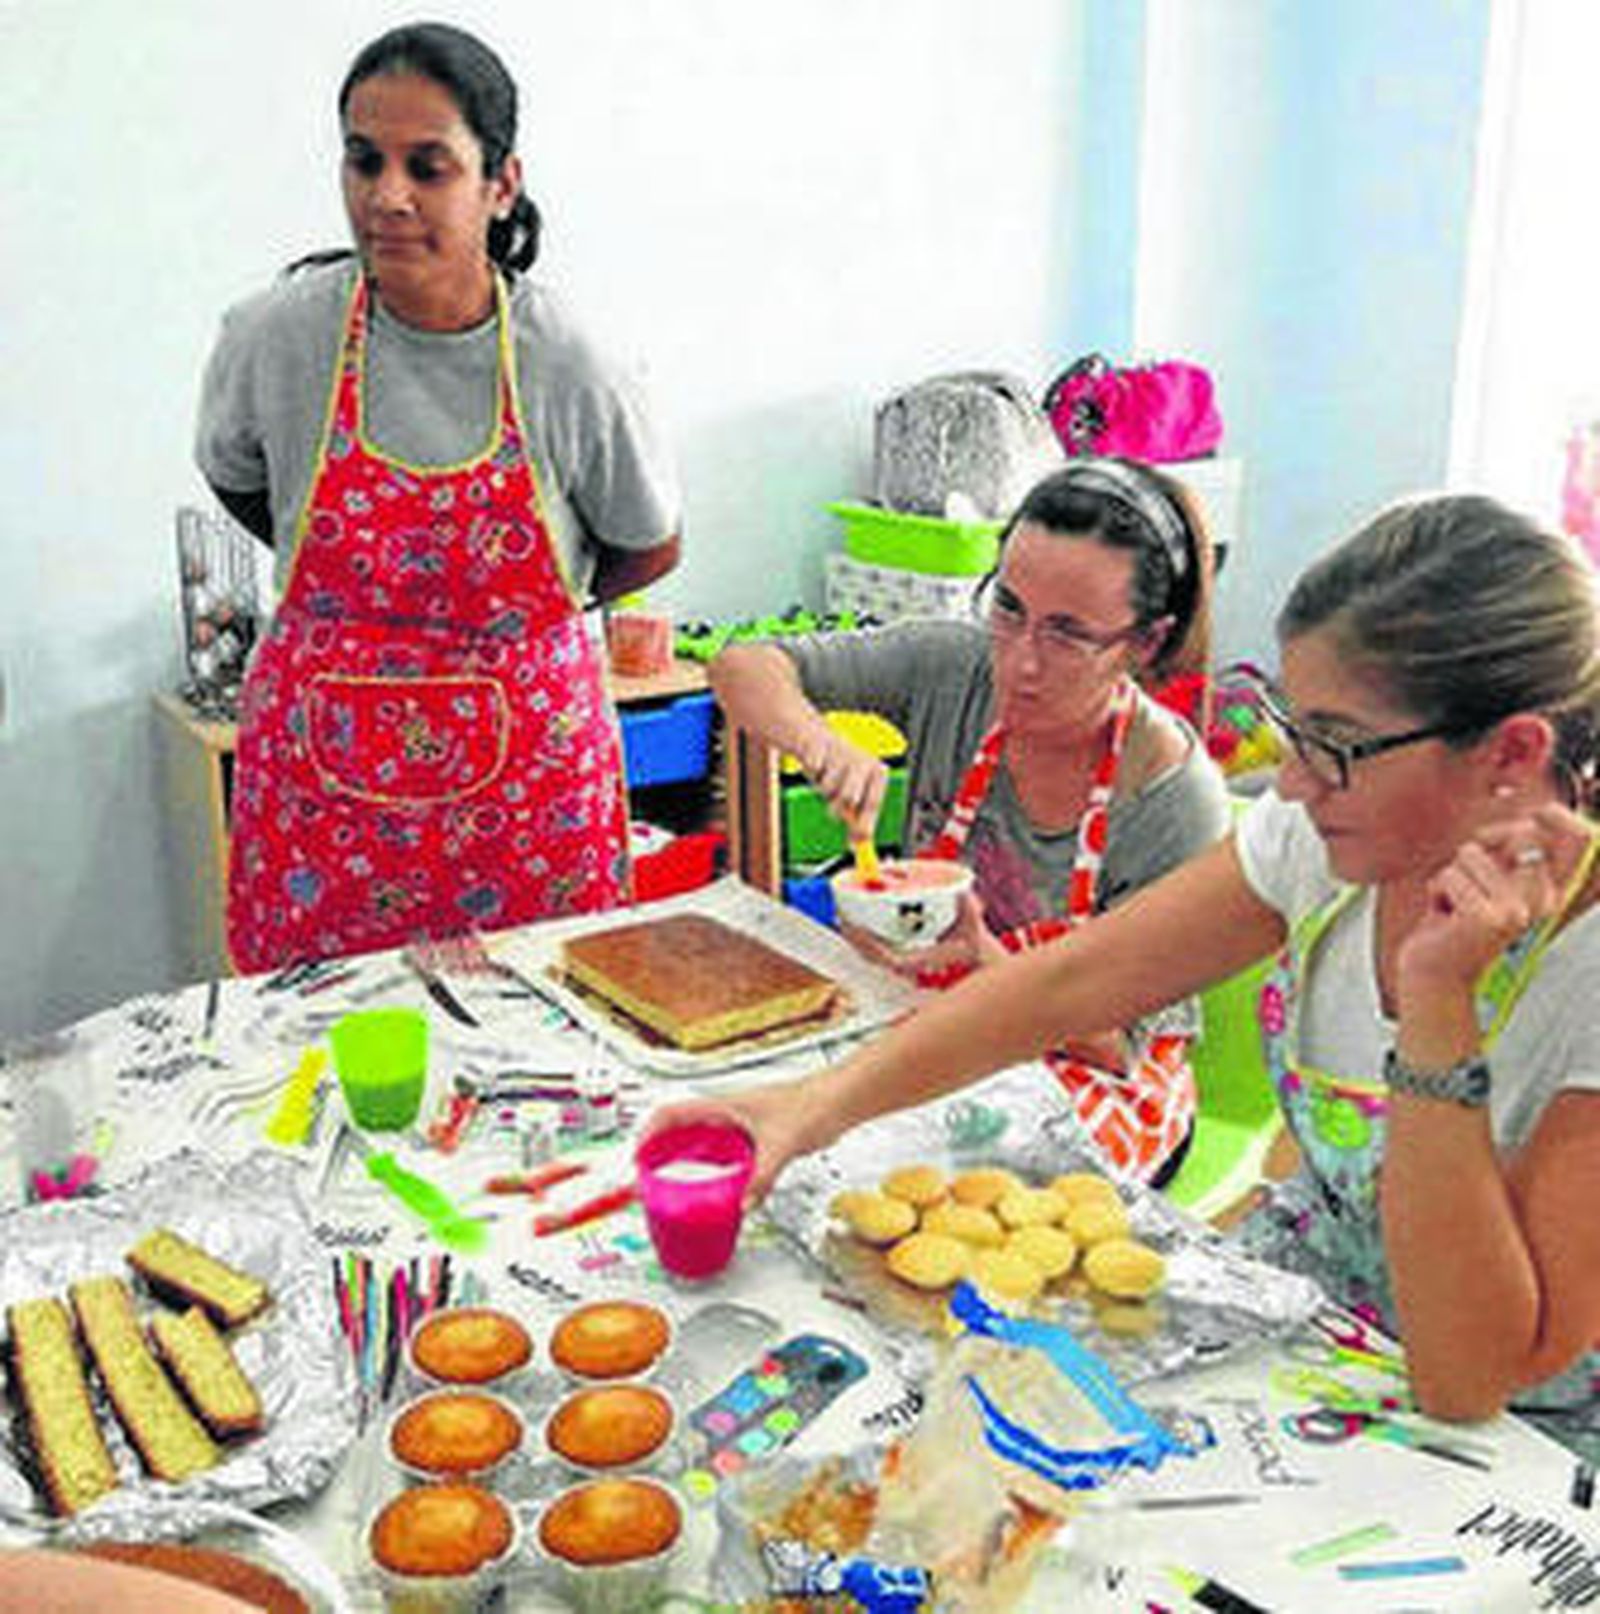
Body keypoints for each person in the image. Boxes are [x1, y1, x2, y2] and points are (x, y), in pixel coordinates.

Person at [653, 493, 1600, 1452]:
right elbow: (1072, 983)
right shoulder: (1321, 833)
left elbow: (1469, 1376)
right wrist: (814, 1105)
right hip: (1314, 1325)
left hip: (1514, 1435)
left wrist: (1438, 1005)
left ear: (1512, 753)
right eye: (1292, 729)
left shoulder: (1585, 973)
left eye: (1336, 747)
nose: (1292, 784)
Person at [194, 22, 681, 973]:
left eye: (430, 167)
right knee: (323, 1054)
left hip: (527, 802)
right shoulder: (277, 334)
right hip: (322, 809)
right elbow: (237, 475)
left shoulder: (570, 361)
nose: (388, 198)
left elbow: (649, 543)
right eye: (363, 160)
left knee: (542, 1059)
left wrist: (518, 624)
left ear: (501, 183)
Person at [710, 460, 1231, 1183]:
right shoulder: (952, 670)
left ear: (1144, 642)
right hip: (939, 1026)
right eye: (1009, 608)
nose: (1020, 661)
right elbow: (743, 667)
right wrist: (820, 745)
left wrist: (983, 958)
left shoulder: (1173, 799)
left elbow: (1117, 1047)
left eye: (1068, 634)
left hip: (1086, 1077)